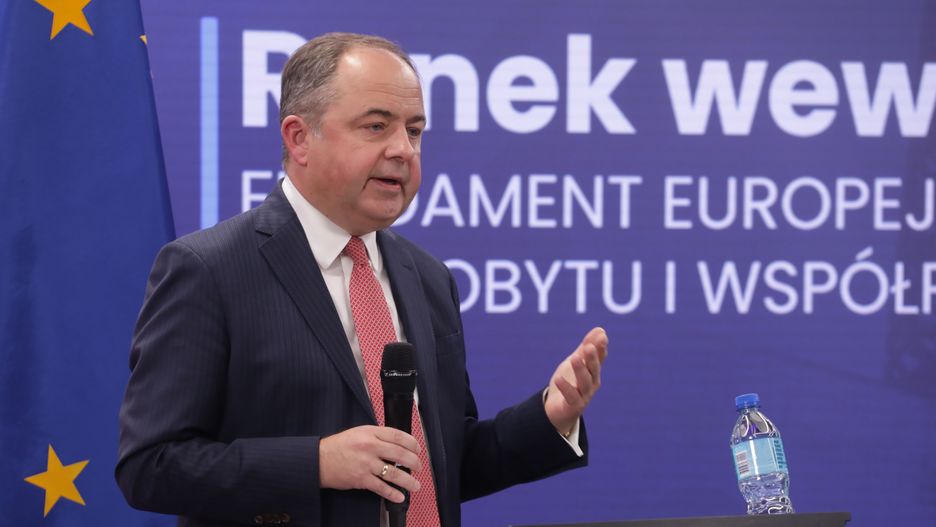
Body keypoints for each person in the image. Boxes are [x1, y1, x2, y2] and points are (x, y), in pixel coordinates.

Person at [116, 32, 608, 527]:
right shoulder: (209, 269)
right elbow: (150, 466)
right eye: (376, 126)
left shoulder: (428, 277)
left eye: (414, 131)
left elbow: (440, 464)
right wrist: (316, 463)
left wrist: (550, 418)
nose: (403, 150)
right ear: (299, 138)